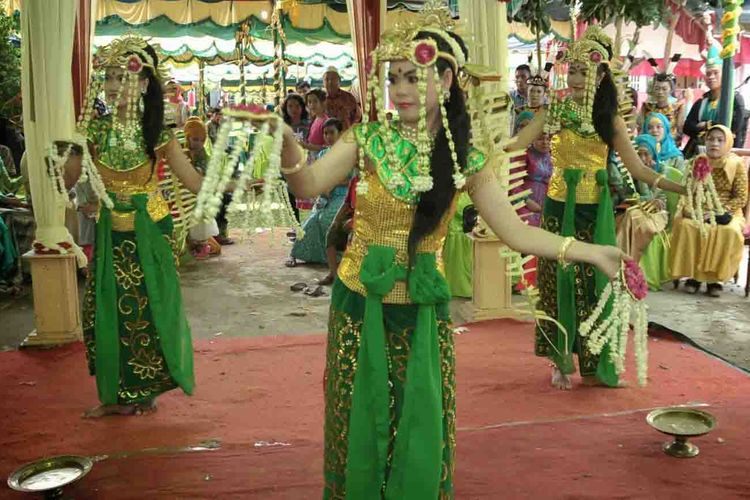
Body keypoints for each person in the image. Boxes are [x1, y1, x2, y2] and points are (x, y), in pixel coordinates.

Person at [276, 11, 626, 497]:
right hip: (358, 302)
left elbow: (517, 234)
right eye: (393, 77)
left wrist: (591, 251)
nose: (399, 89)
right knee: (357, 410)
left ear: (443, 79)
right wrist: (287, 148)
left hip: (421, 311)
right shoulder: (367, 139)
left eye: (413, 77)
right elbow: (310, 183)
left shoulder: (465, 159)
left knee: (418, 414)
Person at [507, 26, 686, 391]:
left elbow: (639, 169)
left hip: (595, 209)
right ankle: (559, 361)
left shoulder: (609, 118)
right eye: (571, 71)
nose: (574, 79)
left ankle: (594, 361)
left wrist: (683, 186)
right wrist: (486, 148)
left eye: (583, 72)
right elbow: (518, 143)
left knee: (596, 285)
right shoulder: (554, 108)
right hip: (557, 207)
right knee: (556, 282)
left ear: (601, 74)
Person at [57, 36, 202, 418]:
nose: (116, 85)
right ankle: (118, 394)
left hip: (149, 231)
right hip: (110, 233)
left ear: (143, 83)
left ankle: (145, 390)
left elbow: (193, 181)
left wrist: (234, 181)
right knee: (107, 310)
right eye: (110, 77)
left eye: (125, 77)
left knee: (148, 310)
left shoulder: (157, 131)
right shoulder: (95, 131)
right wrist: (71, 148)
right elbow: (67, 182)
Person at [670, 125, 748, 297]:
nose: (715, 143)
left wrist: (721, 212)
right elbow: (688, 190)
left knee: (728, 231)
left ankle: (715, 280)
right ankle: (694, 277)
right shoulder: (698, 162)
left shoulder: (736, 165)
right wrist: (691, 210)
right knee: (687, 225)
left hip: (728, 210)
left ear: (727, 143)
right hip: (699, 206)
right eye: (711, 139)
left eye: (720, 140)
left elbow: (741, 197)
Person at [289, 118, 348, 267]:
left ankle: (338, 258)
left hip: (344, 195)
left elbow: (354, 180)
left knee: (326, 220)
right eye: (325, 133)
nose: (328, 137)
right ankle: (318, 257)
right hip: (326, 196)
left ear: (341, 133)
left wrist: (333, 183)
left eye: (331, 133)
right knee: (312, 222)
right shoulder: (322, 154)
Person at [683, 46, 746, 157]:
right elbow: (687, 127)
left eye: (715, 72)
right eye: (708, 73)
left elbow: (732, 128)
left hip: (725, 155)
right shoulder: (702, 101)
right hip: (700, 154)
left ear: (725, 74)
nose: (711, 77)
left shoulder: (735, 100)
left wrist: (706, 124)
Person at [615, 134, 668, 263]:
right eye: (638, 155)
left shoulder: (661, 170)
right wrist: (638, 172)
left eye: (646, 154)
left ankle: (629, 262)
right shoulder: (627, 170)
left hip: (656, 212)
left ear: (653, 154)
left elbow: (652, 197)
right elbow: (624, 195)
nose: (642, 158)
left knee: (632, 217)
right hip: (633, 210)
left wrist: (641, 175)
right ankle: (622, 262)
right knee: (628, 216)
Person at [184, 118, 220, 260]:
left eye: (201, 140)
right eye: (195, 139)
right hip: (186, 194)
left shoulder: (202, 154)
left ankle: (202, 246)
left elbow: (203, 173)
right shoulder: (182, 151)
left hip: (199, 193)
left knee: (200, 223)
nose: (198, 143)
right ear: (187, 137)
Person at [638, 67, 686, 142]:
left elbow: (680, 132)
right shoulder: (646, 107)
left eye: (664, 89)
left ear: (671, 90)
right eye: (657, 88)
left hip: (670, 147)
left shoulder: (678, 108)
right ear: (653, 89)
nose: (660, 92)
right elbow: (641, 130)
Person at [522, 132, 553, 227]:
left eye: (548, 139)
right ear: (532, 140)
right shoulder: (524, 155)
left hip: (548, 205)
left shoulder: (555, 157)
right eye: (540, 139)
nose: (545, 142)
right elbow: (513, 184)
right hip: (527, 204)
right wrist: (525, 200)